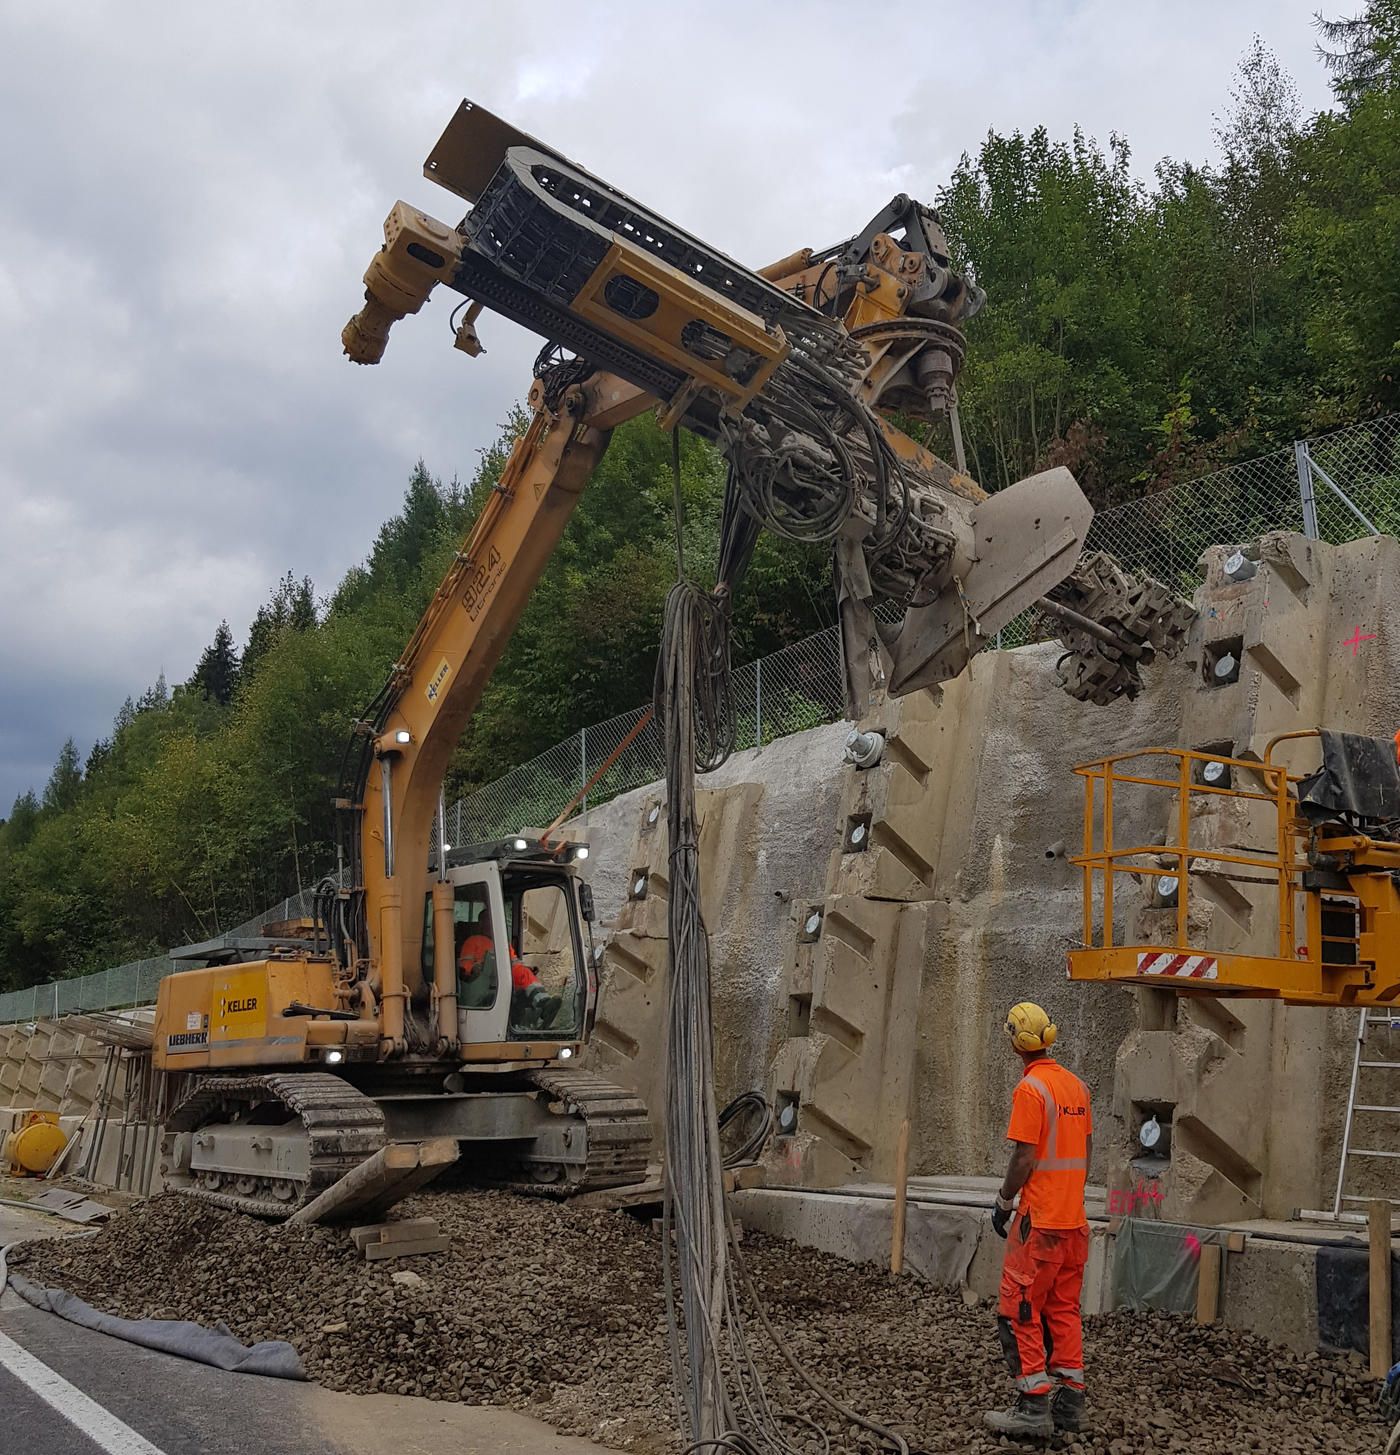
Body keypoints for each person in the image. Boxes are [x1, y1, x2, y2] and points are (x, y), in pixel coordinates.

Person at [985, 1001, 1092, 1441]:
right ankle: (1071, 1402)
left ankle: (1033, 1406)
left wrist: (1004, 1201)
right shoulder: (1076, 1087)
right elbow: (1087, 1151)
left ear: (1015, 1043)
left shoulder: (1030, 1091)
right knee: (1063, 1309)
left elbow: (1024, 1155)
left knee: (1020, 1310)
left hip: (1041, 1221)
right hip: (1074, 1222)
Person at [457, 912, 563, 1028]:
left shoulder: (503, 944)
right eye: (488, 922)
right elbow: (464, 966)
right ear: (481, 924)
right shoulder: (472, 941)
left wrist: (527, 969)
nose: (491, 926)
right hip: (481, 984)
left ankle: (543, 1004)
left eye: (493, 922)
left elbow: (514, 963)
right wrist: (472, 969)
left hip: (503, 981)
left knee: (523, 973)